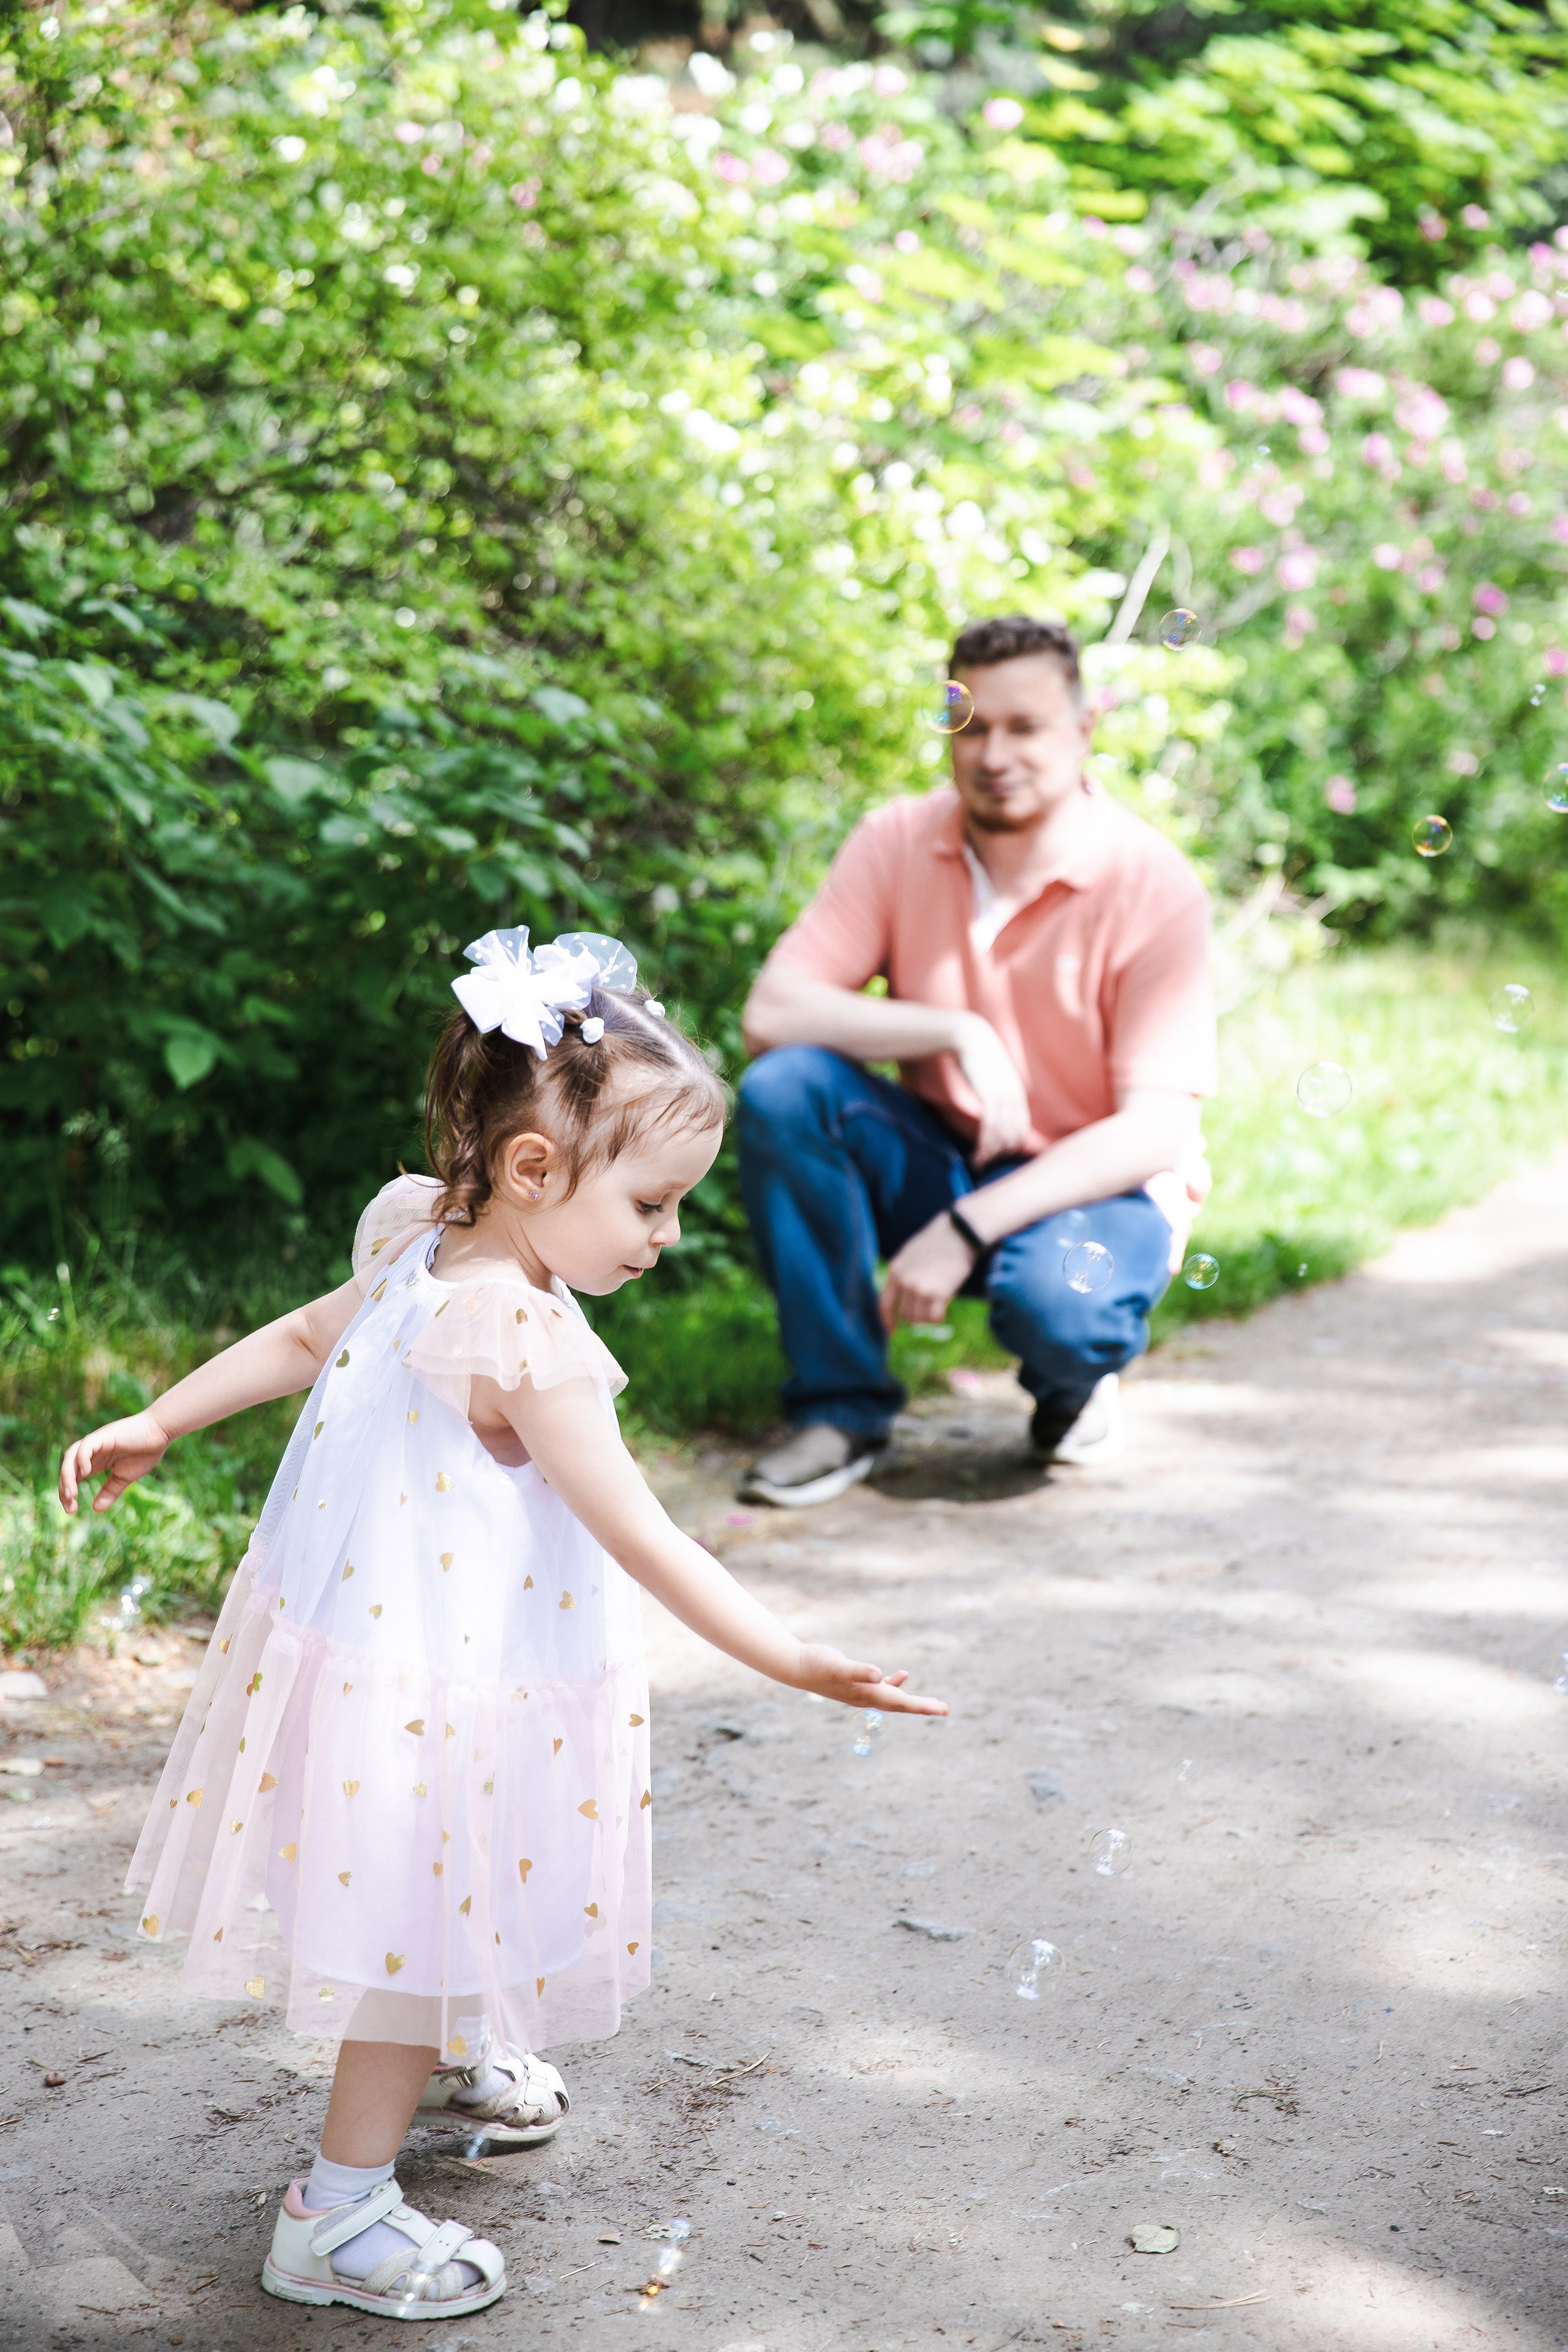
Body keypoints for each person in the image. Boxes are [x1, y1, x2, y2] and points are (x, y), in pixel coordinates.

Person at [58, 928, 945, 2322]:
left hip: (374, 1658)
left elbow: (304, 1336)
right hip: (448, 1683)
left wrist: (162, 1415)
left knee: (443, 1885)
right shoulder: (527, 1341)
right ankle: (333, 2217)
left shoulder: (413, 1227)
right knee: (419, 1917)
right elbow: (639, 1531)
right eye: (652, 1206)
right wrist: (791, 1658)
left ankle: (469, 2042)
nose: (664, 1236)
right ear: (535, 1172)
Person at [736, 614, 1216, 1507]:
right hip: (946, 1155)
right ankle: (840, 1411)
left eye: (1024, 726)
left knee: (1061, 1309)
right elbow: (772, 1014)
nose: (994, 752)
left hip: (1096, 1190)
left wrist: (962, 1232)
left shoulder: (1153, 883)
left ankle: (1073, 1383)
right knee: (786, 1089)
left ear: (1083, 732)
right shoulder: (898, 839)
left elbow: (1159, 1126)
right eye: (970, 724)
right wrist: (955, 1031)